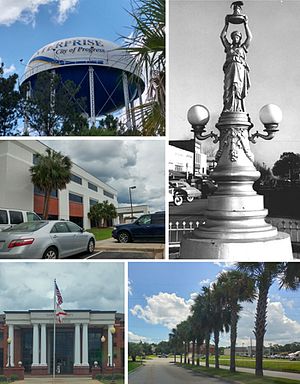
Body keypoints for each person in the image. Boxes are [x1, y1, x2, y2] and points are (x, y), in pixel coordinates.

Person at [220, 15, 252, 112]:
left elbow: (250, 37)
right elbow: (222, 36)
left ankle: (239, 108)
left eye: (237, 37)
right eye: (234, 37)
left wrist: (246, 24)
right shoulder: (229, 48)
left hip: (240, 69)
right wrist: (226, 25)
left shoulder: (242, 48)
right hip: (230, 69)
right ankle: (228, 108)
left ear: (240, 38)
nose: (236, 39)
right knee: (228, 88)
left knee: (238, 88)